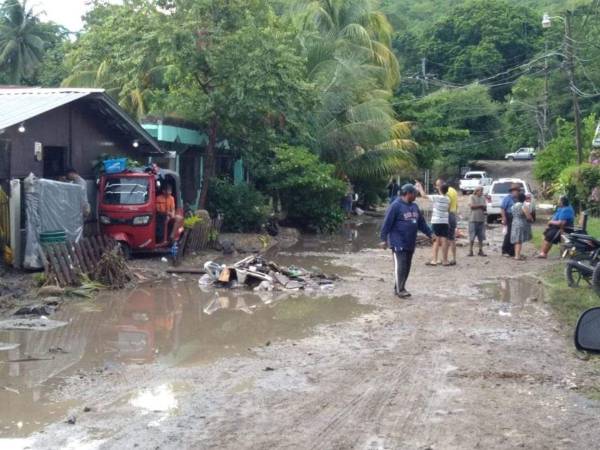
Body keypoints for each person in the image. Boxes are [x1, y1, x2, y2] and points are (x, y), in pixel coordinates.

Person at [379, 184, 432, 298]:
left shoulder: (414, 206)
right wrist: (383, 239)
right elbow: (387, 223)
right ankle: (400, 290)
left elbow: (421, 223)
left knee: (407, 266)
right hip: (398, 241)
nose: (416, 196)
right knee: (401, 265)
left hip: (410, 242)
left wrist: (430, 234)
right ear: (408, 193)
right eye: (415, 194)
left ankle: (398, 287)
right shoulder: (395, 206)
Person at [416, 181, 450, 266]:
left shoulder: (437, 197)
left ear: (440, 189)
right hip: (445, 221)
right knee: (444, 240)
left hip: (436, 221)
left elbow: (423, 195)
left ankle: (434, 260)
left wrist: (420, 187)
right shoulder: (448, 199)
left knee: (435, 240)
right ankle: (445, 260)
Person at [436, 179, 459, 265]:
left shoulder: (445, 193)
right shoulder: (454, 191)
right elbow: (456, 204)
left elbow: (445, 206)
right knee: (452, 238)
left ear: (442, 185)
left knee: (444, 238)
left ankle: (444, 259)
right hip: (453, 215)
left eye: (438, 185)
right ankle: (453, 258)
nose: (437, 187)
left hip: (446, 216)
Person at [511, 192, 534, 261]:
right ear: (524, 199)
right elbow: (528, 216)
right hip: (521, 223)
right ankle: (517, 256)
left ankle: (516, 254)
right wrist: (531, 220)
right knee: (519, 240)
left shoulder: (513, 206)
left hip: (514, 222)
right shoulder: (523, 206)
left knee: (516, 239)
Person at [501, 184, 521, 257]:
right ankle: (505, 250)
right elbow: (502, 208)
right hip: (509, 216)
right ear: (512, 191)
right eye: (515, 191)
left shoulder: (519, 198)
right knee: (509, 234)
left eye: (518, 191)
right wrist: (504, 217)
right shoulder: (508, 198)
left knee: (516, 234)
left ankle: (512, 251)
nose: (517, 192)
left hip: (517, 217)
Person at [468, 186, 487, 257]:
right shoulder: (471, 197)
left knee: (481, 236)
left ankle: (480, 250)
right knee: (472, 236)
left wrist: (483, 207)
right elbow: (471, 206)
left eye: (482, 191)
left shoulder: (483, 198)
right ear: (476, 191)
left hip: (481, 219)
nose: (481, 192)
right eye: (480, 191)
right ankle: (470, 250)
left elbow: (485, 207)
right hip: (473, 219)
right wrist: (481, 206)